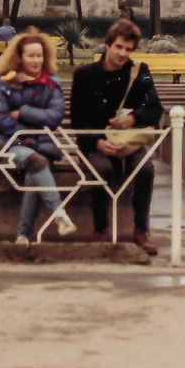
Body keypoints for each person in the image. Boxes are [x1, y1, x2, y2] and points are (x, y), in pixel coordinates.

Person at [69, 19, 162, 255]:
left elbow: (155, 109)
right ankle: (100, 230)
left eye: (128, 49)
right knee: (103, 170)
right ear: (107, 45)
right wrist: (98, 141)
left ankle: (141, 230)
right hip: (95, 141)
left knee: (145, 170)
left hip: (127, 141)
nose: (123, 54)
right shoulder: (84, 75)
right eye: (119, 47)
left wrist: (132, 119)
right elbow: (78, 120)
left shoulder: (139, 71)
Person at [0, 29, 77, 245]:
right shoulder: (5, 83)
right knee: (35, 160)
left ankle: (23, 236)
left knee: (36, 171)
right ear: (19, 57)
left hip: (41, 145)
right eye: (31, 56)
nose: (36, 60)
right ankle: (58, 214)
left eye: (40, 56)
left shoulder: (52, 83)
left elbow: (55, 116)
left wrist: (23, 113)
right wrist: (25, 135)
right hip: (9, 143)